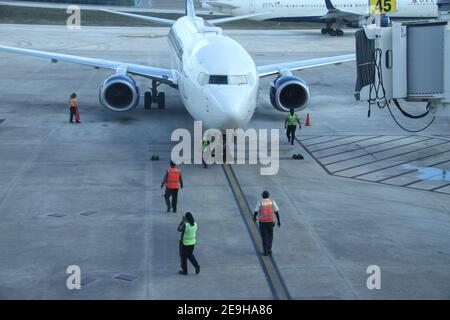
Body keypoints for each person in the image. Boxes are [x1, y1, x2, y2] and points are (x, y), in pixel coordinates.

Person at [253, 190, 281, 256]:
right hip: (271, 222)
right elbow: (276, 211)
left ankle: (265, 251)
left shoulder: (260, 202)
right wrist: (279, 221)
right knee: (270, 236)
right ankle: (269, 249)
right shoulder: (272, 202)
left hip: (262, 222)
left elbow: (256, 211)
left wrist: (254, 218)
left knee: (264, 237)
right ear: (269, 195)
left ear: (262, 196)